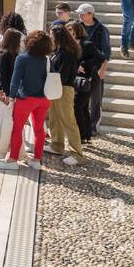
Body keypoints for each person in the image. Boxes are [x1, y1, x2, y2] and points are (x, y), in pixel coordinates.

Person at [4, 29, 54, 171]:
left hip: (25, 99)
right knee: (39, 130)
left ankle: (13, 159)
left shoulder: (22, 58)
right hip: (43, 99)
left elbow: (15, 80)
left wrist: (11, 97)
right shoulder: (46, 60)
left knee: (17, 129)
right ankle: (37, 160)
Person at [46, 23, 84, 166]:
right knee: (55, 118)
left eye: (51, 34)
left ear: (58, 36)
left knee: (68, 121)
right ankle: (57, 145)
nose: (50, 36)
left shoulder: (67, 53)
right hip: (56, 89)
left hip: (64, 89)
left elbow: (62, 74)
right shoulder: (60, 51)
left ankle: (77, 154)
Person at [0, 28, 24, 159]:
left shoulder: (7, 53)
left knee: (7, 122)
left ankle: (8, 150)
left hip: (6, 94)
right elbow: (3, 77)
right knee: (5, 123)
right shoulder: (5, 54)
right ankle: (0, 149)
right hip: (5, 94)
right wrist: (8, 95)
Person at [76, 3, 110, 133]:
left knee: (96, 99)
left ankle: (94, 126)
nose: (80, 16)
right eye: (79, 14)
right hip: (80, 68)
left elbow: (106, 52)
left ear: (91, 14)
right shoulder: (78, 27)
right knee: (81, 99)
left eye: (82, 13)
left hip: (96, 68)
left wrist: (103, 69)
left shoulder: (101, 29)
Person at [70, 21, 102, 146]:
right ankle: (86, 135)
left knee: (77, 105)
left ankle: (82, 135)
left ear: (76, 31)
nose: (68, 33)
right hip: (78, 80)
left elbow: (100, 58)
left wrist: (84, 63)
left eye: (70, 30)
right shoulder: (71, 45)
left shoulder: (87, 44)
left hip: (89, 79)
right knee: (82, 106)